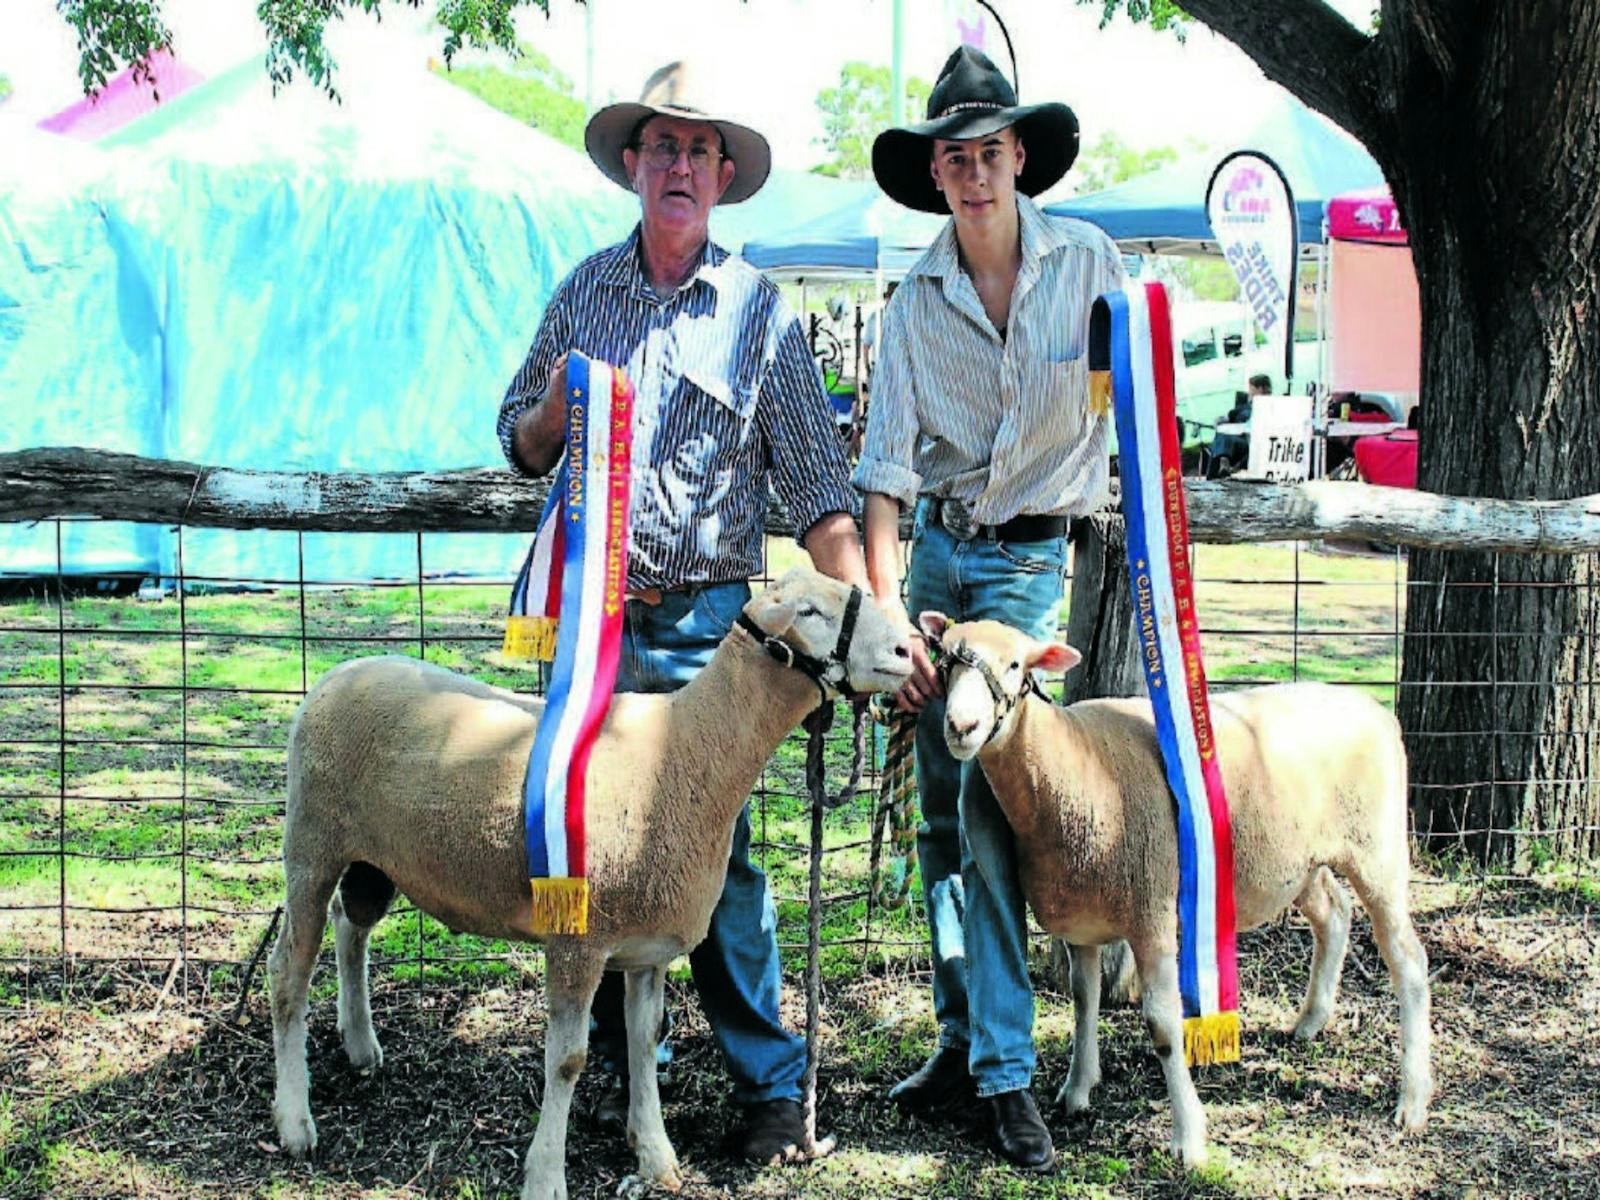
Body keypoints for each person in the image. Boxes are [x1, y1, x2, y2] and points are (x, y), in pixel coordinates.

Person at [496, 62, 869, 1164]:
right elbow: (516, 439)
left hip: (711, 625)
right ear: (631, 164)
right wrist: (558, 408)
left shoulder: (759, 314)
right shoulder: (582, 293)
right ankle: (616, 1076)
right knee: (586, 844)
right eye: (661, 145)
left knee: (721, 859)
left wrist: (868, 622)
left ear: (721, 177)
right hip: (595, 624)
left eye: (699, 150)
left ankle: (765, 1084)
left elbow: (816, 491)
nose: (678, 166)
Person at [853, 46, 1124, 1171]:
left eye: (988, 152)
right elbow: (883, 472)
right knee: (935, 823)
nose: (972, 173)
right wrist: (882, 613)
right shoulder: (913, 298)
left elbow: (1133, 415)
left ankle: (1008, 1071)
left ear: (1021, 158)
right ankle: (965, 1039)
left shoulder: (1094, 264)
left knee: (991, 821)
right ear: (935, 171)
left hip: (1024, 578)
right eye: (952, 156)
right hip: (937, 577)